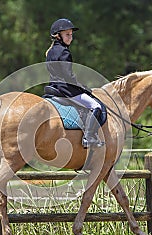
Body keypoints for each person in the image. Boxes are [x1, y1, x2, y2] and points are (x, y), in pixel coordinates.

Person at [45, 18, 104, 148]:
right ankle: (89, 137)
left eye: (71, 35)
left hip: (53, 87)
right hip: (66, 89)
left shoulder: (50, 52)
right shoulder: (64, 52)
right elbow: (68, 76)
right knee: (96, 106)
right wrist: (82, 87)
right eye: (67, 35)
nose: (70, 37)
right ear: (58, 35)